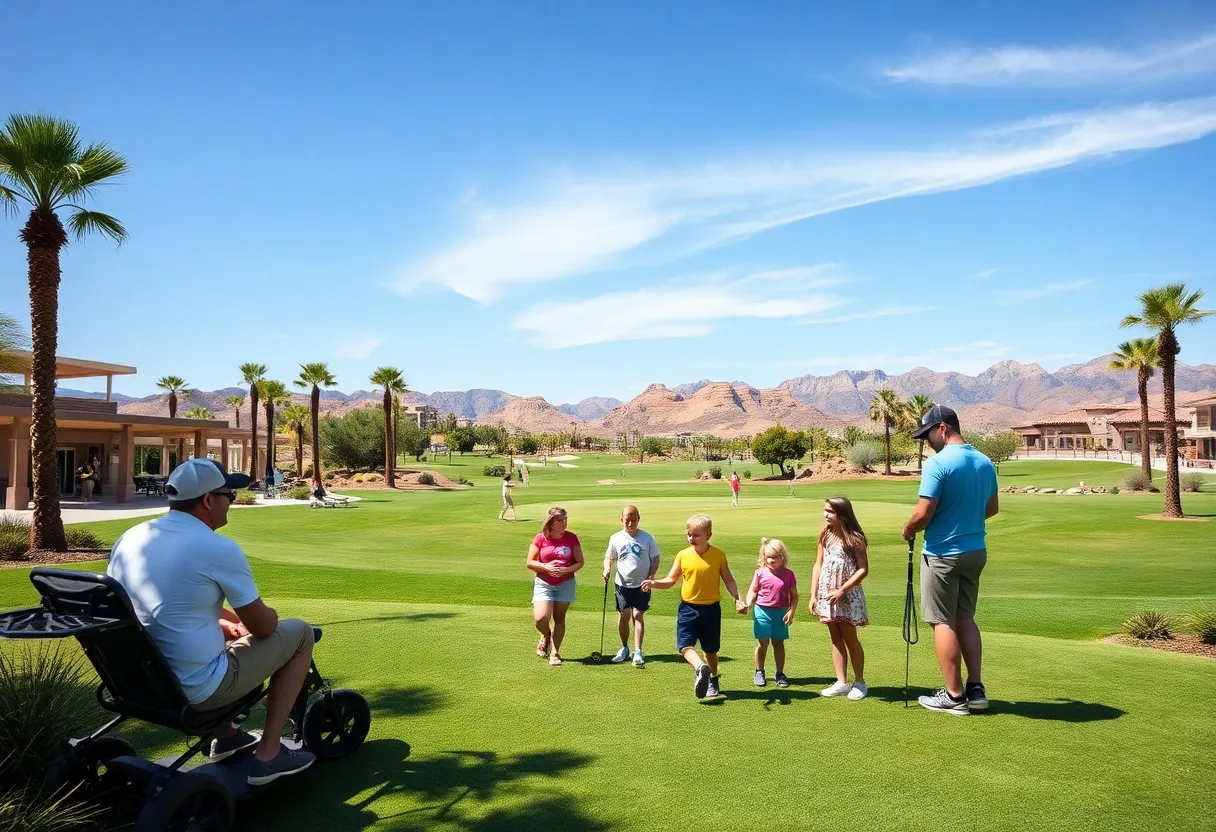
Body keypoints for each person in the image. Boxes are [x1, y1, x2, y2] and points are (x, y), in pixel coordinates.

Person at [106, 458, 317, 785]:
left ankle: (228, 735)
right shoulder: (218, 548)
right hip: (195, 690)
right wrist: (271, 616)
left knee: (221, 635)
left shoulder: (132, 537)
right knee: (301, 633)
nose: (231, 504)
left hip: (139, 683)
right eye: (229, 496)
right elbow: (262, 627)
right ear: (207, 500)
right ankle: (269, 754)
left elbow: (156, 608)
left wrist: (224, 623)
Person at [902, 405, 999, 716]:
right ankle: (976, 689)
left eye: (928, 434)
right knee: (965, 618)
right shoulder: (984, 461)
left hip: (943, 553)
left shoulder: (938, 463)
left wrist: (908, 528)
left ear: (942, 428)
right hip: (975, 551)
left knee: (942, 620)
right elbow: (992, 508)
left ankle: (954, 696)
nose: (927, 441)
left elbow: (923, 514)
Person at [642, 514, 747, 698]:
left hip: (711, 609)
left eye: (696, 535)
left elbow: (729, 579)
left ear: (709, 535)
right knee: (684, 647)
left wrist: (738, 598)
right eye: (689, 534)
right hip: (688, 609)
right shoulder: (683, 555)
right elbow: (671, 580)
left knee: (711, 651)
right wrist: (654, 583)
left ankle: (712, 678)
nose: (691, 538)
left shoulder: (718, 555)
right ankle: (700, 668)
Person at [811, 497, 870, 701]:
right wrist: (813, 595)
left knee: (849, 637)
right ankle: (841, 681)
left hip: (846, 594)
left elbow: (863, 569)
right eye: (825, 510)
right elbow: (818, 565)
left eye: (830, 511)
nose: (825, 514)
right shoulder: (825, 534)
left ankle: (860, 682)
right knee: (835, 638)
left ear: (842, 514)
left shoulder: (855, 539)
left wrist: (843, 589)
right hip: (827, 594)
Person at [602, 504, 660, 667]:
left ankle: (638, 651)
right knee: (624, 615)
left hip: (642, 584)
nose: (630, 524)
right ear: (622, 520)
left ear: (638, 519)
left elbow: (655, 558)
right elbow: (609, 557)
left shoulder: (647, 537)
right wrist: (607, 569)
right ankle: (624, 648)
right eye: (627, 520)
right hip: (622, 584)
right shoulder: (616, 538)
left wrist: (652, 576)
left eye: (634, 520)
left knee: (637, 615)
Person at [526, 507, 584, 666]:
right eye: (559, 520)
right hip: (544, 583)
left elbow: (580, 562)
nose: (563, 522)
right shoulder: (541, 538)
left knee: (559, 618)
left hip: (566, 583)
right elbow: (530, 562)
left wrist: (567, 569)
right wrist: (547, 568)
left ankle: (555, 653)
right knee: (540, 618)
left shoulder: (572, 538)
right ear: (551, 522)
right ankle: (546, 635)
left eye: (565, 519)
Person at [744, 537, 797, 688]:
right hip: (762, 610)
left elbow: (794, 596)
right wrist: (748, 604)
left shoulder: (788, 574)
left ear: (782, 556)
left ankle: (780, 673)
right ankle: (759, 671)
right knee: (762, 642)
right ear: (764, 558)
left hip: (780, 612)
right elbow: (753, 591)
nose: (772, 560)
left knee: (778, 643)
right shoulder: (760, 573)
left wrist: (791, 611)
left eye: (775, 557)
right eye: (769, 557)